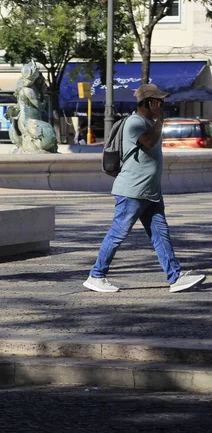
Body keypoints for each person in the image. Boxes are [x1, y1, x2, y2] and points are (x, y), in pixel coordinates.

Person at [83, 84, 206, 293]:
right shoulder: (135, 122)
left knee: (161, 234)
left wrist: (157, 120)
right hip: (132, 190)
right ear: (150, 103)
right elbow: (148, 142)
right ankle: (96, 275)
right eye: (160, 101)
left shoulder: (149, 122)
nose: (163, 104)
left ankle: (175, 278)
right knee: (117, 233)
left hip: (150, 191)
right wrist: (160, 119)